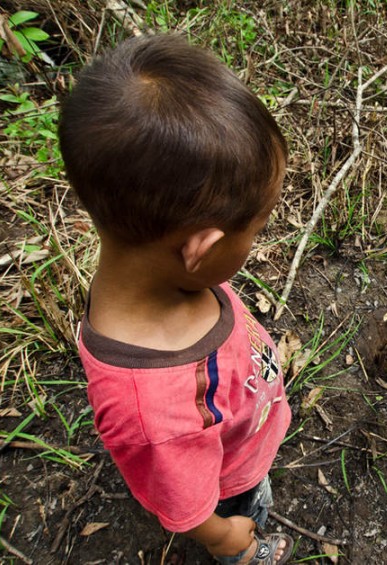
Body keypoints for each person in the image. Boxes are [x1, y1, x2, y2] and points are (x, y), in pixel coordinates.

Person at [58, 35, 293, 564]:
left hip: (242, 433)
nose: (255, 243)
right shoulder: (154, 410)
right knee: (245, 518)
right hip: (228, 488)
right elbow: (185, 506)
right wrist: (222, 535)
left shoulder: (150, 266)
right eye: (255, 230)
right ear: (199, 249)